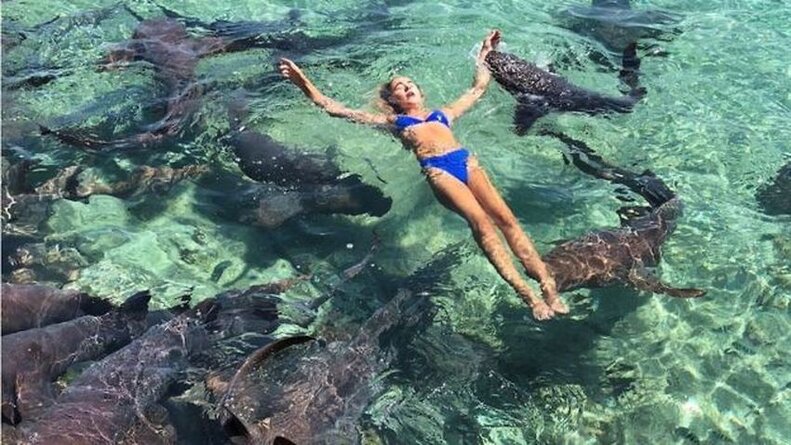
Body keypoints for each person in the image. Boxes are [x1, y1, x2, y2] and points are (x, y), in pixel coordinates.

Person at [278, 30, 567, 320]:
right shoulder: (394, 121)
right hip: (439, 170)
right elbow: (335, 109)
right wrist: (303, 82)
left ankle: (548, 287)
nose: (406, 88)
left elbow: (477, 89)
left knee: (507, 220)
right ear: (394, 100)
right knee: (482, 225)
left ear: (421, 91)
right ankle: (527, 296)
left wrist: (485, 53)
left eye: (409, 84)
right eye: (399, 88)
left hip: (465, 161)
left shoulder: (443, 114)